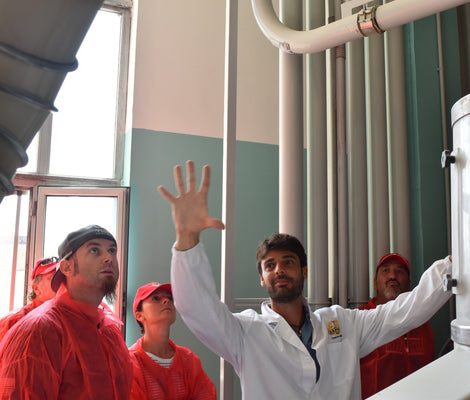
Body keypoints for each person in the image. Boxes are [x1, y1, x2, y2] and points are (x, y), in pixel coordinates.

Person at [159, 160, 452, 399]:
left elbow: (406, 310)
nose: (279, 270)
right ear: (262, 278)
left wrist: (455, 264)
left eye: (288, 262)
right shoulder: (246, 333)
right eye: (270, 265)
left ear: (305, 271)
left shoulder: (343, 323)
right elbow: (198, 310)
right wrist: (187, 239)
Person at [0, 225, 132, 399]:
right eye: (94, 250)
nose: (109, 258)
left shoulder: (109, 331)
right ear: (67, 267)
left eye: (112, 250)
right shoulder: (39, 331)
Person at [359, 253, 435, 399]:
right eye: (386, 270)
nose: (392, 275)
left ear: (409, 284)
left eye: (399, 271)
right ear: (375, 284)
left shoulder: (422, 324)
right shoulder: (361, 318)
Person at [129, 281, 216, 400]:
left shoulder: (189, 360)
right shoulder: (130, 362)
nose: (166, 301)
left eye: (170, 298)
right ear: (139, 316)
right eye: (156, 298)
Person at [0, 256, 58, 342]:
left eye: (61, 277)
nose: (60, 282)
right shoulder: (14, 321)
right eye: (53, 278)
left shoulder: (62, 317)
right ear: (36, 289)